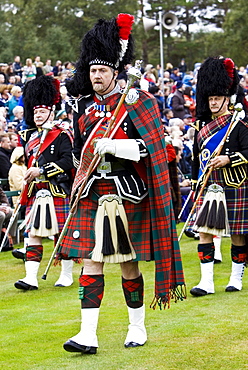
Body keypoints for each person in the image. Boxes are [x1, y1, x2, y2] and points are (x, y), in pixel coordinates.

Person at [58, 13, 185, 355]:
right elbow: (79, 152)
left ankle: (137, 327)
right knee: (90, 261)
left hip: (127, 193)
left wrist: (115, 146)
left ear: (115, 70)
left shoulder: (138, 102)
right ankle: (88, 335)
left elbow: (153, 149)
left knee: (128, 265)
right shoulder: (84, 111)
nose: (95, 76)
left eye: (101, 71)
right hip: (93, 194)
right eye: (91, 71)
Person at [189, 56, 248, 297]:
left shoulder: (239, 124)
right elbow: (196, 159)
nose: (213, 103)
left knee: (237, 234)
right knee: (205, 232)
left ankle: (236, 278)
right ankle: (206, 282)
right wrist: (195, 186)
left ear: (227, 98)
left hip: (234, 183)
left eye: (217, 98)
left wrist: (228, 158)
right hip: (210, 185)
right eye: (210, 98)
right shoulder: (200, 127)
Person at [14, 75, 75, 291]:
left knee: (62, 235)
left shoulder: (62, 134)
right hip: (35, 191)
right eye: (35, 112)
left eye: (42, 112)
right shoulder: (29, 137)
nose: (37, 115)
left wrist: (41, 170)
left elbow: (69, 160)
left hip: (56, 189)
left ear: (51, 111)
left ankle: (66, 275)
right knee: (33, 234)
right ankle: (31, 278)